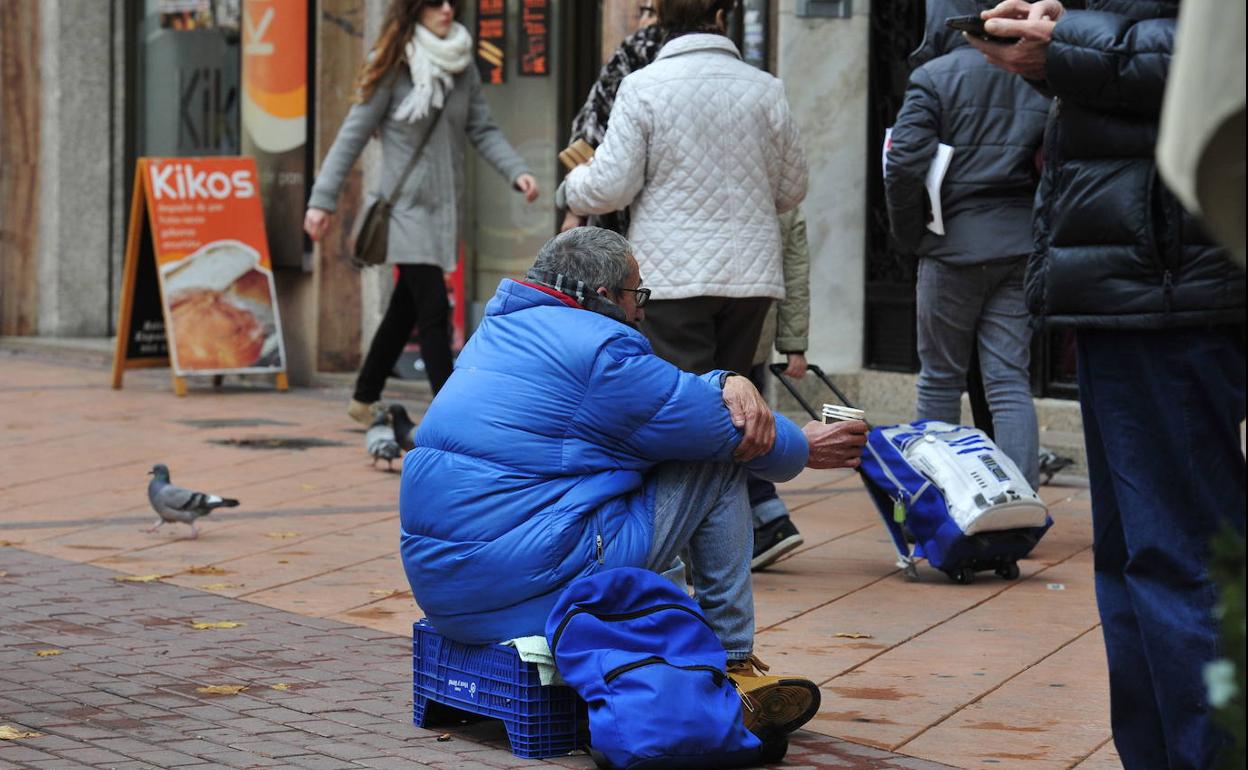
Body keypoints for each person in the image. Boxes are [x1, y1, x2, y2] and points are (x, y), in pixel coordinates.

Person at [399, 227, 869, 739]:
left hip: (446, 591)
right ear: (603, 296)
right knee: (717, 461)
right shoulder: (601, 351)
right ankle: (731, 666)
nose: (642, 310)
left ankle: (679, 642)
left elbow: (670, 404)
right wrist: (806, 446)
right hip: (524, 589)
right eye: (636, 293)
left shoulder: (499, 332)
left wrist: (724, 381)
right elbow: (724, 430)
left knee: (642, 470)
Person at [968, 2, 1246, 767]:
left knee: (1181, 561)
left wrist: (1067, 47)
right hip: (1127, 275)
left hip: (1174, 279)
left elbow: (1216, 54)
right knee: (1135, 563)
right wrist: (1061, 32)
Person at [303, 0, 539, 425]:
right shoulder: (394, 64)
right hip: (403, 211)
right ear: (414, 9)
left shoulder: (460, 64)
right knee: (433, 309)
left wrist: (517, 172)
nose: (446, 9)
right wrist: (322, 201)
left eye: (451, 2)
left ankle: (364, 396)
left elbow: (481, 128)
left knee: (405, 309)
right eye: (434, 2)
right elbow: (351, 136)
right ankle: (453, 413)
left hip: (443, 209)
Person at [558, 0, 807, 379]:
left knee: (680, 401)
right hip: (751, 276)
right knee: (733, 401)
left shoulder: (642, 87)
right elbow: (792, 190)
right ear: (722, 17)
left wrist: (573, 186)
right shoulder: (768, 89)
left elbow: (611, 188)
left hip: (673, 274)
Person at [885, 0, 1049, 489]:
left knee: (939, 378)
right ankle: (1020, 501)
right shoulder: (1038, 79)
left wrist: (910, 235)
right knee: (1008, 382)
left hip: (950, 247)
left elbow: (903, 166)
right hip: (1018, 245)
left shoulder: (934, 77)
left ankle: (937, 498)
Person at [560, 0, 668, 235]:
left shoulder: (635, 53)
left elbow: (591, 132)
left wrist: (572, 204)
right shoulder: (742, 75)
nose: (644, 21)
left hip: (631, 228)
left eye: (648, 12)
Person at [748, 208, 812, 570]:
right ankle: (769, 517)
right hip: (755, 327)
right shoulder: (782, 186)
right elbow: (795, 268)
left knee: (733, 428)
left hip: (698, 324)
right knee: (748, 424)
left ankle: (769, 520)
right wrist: (793, 342)